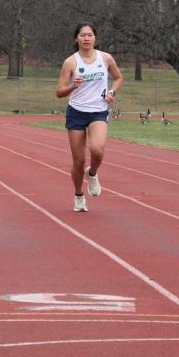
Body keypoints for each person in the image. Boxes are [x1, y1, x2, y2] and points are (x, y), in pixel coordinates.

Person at [55, 22, 123, 213]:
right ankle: (78, 195)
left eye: (90, 35)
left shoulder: (105, 58)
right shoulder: (71, 62)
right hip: (76, 112)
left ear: (95, 38)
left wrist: (112, 92)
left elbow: (118, 78)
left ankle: (92, 173)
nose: (86, 38)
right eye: (83, 35)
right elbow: (59, 92)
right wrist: (72, 86)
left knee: (97, 150)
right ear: (76, 38)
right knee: (78, 161)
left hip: (98, 110)